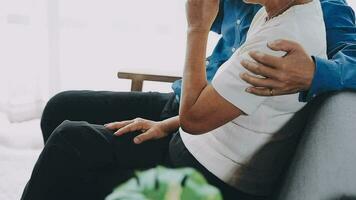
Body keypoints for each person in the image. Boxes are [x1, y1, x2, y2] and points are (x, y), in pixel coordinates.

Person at [21, 1, 356, 200]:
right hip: (191, 113)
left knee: (70, 143)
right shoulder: (266, 11)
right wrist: (170, 123)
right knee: (61, 109)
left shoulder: (317, 17)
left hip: (203, 129)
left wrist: (315, 73)